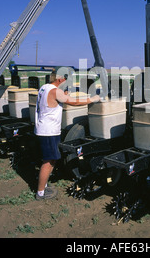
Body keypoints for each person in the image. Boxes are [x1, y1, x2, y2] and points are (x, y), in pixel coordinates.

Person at [34, 68, 100, 200]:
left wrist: (63, 94)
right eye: (66, 80)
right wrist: (92, 99)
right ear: (60, 79)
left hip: (42, 128)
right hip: (49, 131)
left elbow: (52, 100)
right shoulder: (55, 91)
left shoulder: (44, 87)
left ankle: (44, 185)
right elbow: (73, 101)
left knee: (51, 159)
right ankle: (40, 192)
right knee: (48, 162)